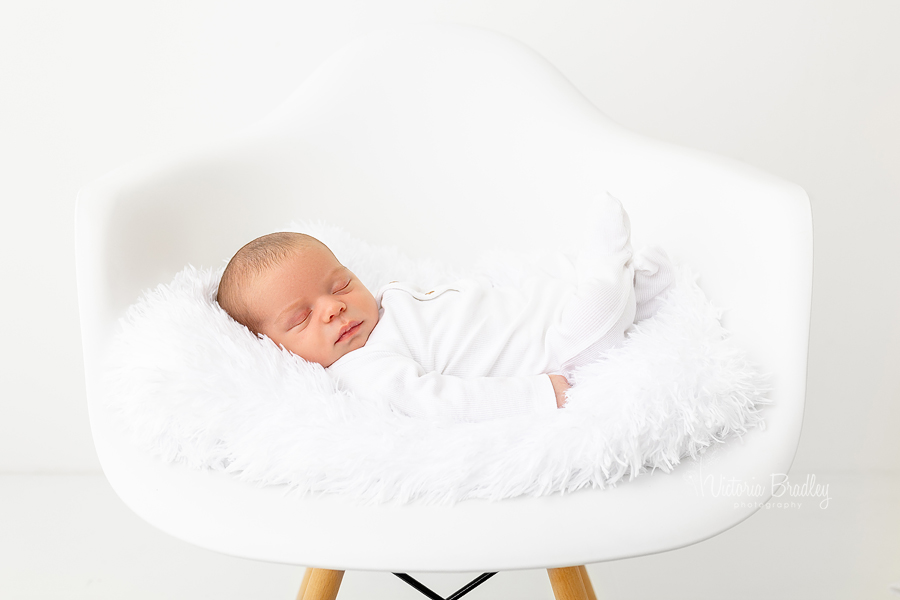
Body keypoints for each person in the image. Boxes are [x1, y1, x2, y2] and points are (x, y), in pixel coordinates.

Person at [216, 194, 674, 422]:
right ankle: (610, 266)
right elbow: (441, 403)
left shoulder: (382, 309)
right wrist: (536, 396)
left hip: (531, 314)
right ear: (271, 348)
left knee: (576, 297)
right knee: (596, 319)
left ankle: (631, 289)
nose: (333, 309)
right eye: (301, 319)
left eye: (340, 285)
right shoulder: (364, 368)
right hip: (557, 351)